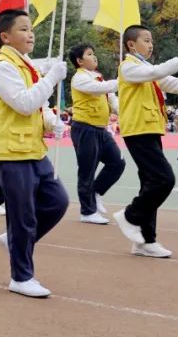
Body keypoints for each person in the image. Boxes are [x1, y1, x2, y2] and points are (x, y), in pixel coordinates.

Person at [0, 8, 69, 297]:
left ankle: (16, 241)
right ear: (5, 37)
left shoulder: (24, 66)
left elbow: (34, 110)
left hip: (31, 149)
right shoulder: (4, 67)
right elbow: (24, 104)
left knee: (57, 201)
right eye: (23, 29)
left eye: (31, 29)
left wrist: (50, 121)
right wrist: (52, 78)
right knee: (23, 217)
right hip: (10, 152)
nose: (30, 34)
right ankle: (21, 276)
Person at [113, 25, 178, 258]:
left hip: (150, 128)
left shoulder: (147, 68)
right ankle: (130, 215)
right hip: (138, 130)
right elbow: (157, 73)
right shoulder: (128, 67)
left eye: (152, 40)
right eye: (146, 40)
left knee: (150, 183)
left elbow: (168, 80)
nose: (151, 44)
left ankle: (145, 240)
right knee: (164, 179)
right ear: (132, 45)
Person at [66, 43, 123, 225]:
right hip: (85, 129)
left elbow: (113, 100)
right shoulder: (79, 79)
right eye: (90, 54)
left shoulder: (98, 78)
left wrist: (127, 111)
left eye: (94, 53)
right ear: (80, 61)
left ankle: (96, 192)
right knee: (87, 171)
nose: (94, 57)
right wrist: (125, 80)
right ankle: (87, 211)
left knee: (117, 163)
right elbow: (101, 89)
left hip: (101, 129)